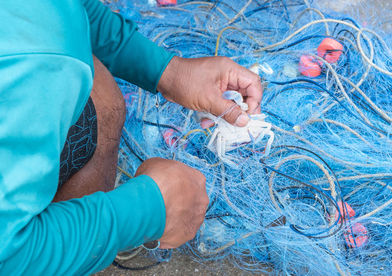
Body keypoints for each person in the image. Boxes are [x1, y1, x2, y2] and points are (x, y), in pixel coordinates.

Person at [0, 1, 263, 274]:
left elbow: (69, 7)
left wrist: (168, 71)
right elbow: (8, 257)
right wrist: (143, 210)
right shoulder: (39, 67)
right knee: (97, 98)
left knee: (99, 88)